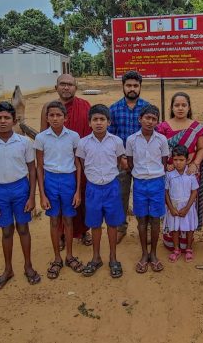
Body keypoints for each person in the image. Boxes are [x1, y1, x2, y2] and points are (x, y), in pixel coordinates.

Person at [0, 101, 41, 290]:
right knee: (6, 231)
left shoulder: (24, 142)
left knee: (23, 229)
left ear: (14, 120)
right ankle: (8, 269)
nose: (3, 121)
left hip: (21, 189)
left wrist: (31, 197)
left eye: (7, 118)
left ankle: (28, 266)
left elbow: (32, 169)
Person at [39, 74, 92, 247]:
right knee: (58, 203)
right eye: (62, 84)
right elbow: (43, 135)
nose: (66, 87)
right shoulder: (48, 108)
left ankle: (84, 231)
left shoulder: (85, 106)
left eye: (70, 84)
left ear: (76, 88)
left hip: (80, 161)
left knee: (81, 197)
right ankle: (61, 234)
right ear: (56, 87)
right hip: (56, 165)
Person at [35, 101, 84, 279]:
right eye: (51, 115)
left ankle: (70, 255)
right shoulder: (41, 138)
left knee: (68, 220)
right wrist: (42, 194)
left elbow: (78, 164)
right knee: (54, 221)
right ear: (47, 118)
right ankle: (57, 258)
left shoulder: (73, 136)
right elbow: (39, 167)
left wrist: (78, 190)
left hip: (69, 180)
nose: (55, 119)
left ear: (66, 118)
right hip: (51, 181)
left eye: (59, 115)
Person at [76, 104, 126, 278]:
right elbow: (82, 165)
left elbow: (119, 162)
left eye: (102, 119)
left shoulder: (116, 142)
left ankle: (113, 258)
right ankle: (96, 257)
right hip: (93, 189)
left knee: (112, 224)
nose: (99, 123)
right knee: (95, 225)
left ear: (109, 122)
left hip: (112, 187)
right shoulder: (83, 143)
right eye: (95, 120)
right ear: (89, 122)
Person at [157, 92, 203, 251]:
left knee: (188, 204)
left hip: (189, 173)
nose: (180, 108)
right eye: (176, 105)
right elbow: (159, 150)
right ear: (171, 107)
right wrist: (166, 166)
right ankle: (171, 240)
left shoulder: (196, 127)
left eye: (183, 105)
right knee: (171, 203)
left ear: (189, 107)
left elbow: (201, 148)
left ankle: (188, 243)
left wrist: (194, 164)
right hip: (170, 173)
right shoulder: (163, 126)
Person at [126, 105, 169, 273]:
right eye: (147, 118)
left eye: (154, 119)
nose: (150, 122)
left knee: (155, 220)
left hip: (157, 182)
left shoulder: (161, 140)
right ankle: (144, 254)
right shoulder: (131, 140)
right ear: (140, 119)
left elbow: (164, 162)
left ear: (157, 122)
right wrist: (141, 174)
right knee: (142, 220)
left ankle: (154, 254)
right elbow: (130, 163)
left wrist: (156, 175)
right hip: (139, 184)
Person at [109, 70, 150, 243]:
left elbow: (152, 135)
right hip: (122, 161)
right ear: (123, 87)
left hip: (144, 160)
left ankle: (145, 228)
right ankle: (120, 227)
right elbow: (111, 138)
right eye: (129, 85)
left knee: (143, 195)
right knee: (121, 195)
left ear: (140, 87)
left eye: (135, 85)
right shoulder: (114, 109)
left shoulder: (147, 108)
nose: (132, 89)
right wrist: (122, 158)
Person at [164, 145, 199, 262]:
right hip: (174, 206)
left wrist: (187, 208)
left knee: (189, 228)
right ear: (172, 160)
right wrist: (170, 208)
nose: (178, 163)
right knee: (174, 228)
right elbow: (166, 192)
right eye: (175, 160)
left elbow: (194, 192)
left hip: (187, 207)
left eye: (181, 160)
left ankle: (189, 249)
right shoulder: (169, 175)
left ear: (187, 160)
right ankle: (176, 249)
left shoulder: (190, 174)